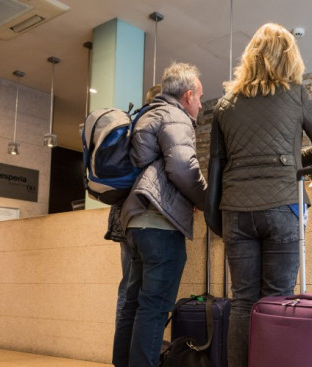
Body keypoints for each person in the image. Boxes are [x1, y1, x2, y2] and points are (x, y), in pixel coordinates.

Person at [204, 23, 312, 367]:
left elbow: (216, 166)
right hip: (283, 206)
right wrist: (292, 160)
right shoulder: (294, 93)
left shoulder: (225, 105)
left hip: (236, 209)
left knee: (242, 301)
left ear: (251, 56)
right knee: (276, 301)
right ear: (289, 57)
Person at [113, 63, 207, 367]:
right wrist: (205, 199)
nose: (201, 105)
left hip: (136, 222)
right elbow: (182, 167)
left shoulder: (148, 114)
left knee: (134, 304)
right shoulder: (175, 116)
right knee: (154, 307)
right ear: (188, 94)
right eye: (201, 98)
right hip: (160, 225)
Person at [106, 84, 162, 327]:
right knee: (149, 291)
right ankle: (139, 352)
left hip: (122, 216)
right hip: (144, 216)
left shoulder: (131, 126)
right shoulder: (157, 126)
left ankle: (124, 352)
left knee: (128, 288)